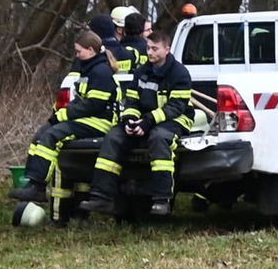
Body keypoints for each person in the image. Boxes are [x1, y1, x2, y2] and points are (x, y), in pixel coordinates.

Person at [81, 29, 197, 216]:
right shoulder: (142, 71)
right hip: (144, 119)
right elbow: (132, 100)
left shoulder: (180, 74)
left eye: (154, 49)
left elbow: (175, 107)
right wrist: (129, 120)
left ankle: (162, 199)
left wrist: (148, 122)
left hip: (175, 119)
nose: (150, 52)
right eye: (148, 48)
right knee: (113, 136)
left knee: (159, 138)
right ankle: (101, 197)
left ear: (167, 49)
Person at [10, 30, 118, 203]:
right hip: (89, 118)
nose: (77, 55)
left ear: (91, 50)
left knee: (53, 135)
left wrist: (63, 115)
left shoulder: (101, 72)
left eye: (79, 51)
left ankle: (38, 186)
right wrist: (58, 114)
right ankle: (31, 182)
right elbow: (81, 100)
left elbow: (93, 105)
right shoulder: (89, 69)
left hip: (101, 122)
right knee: (42, 133)